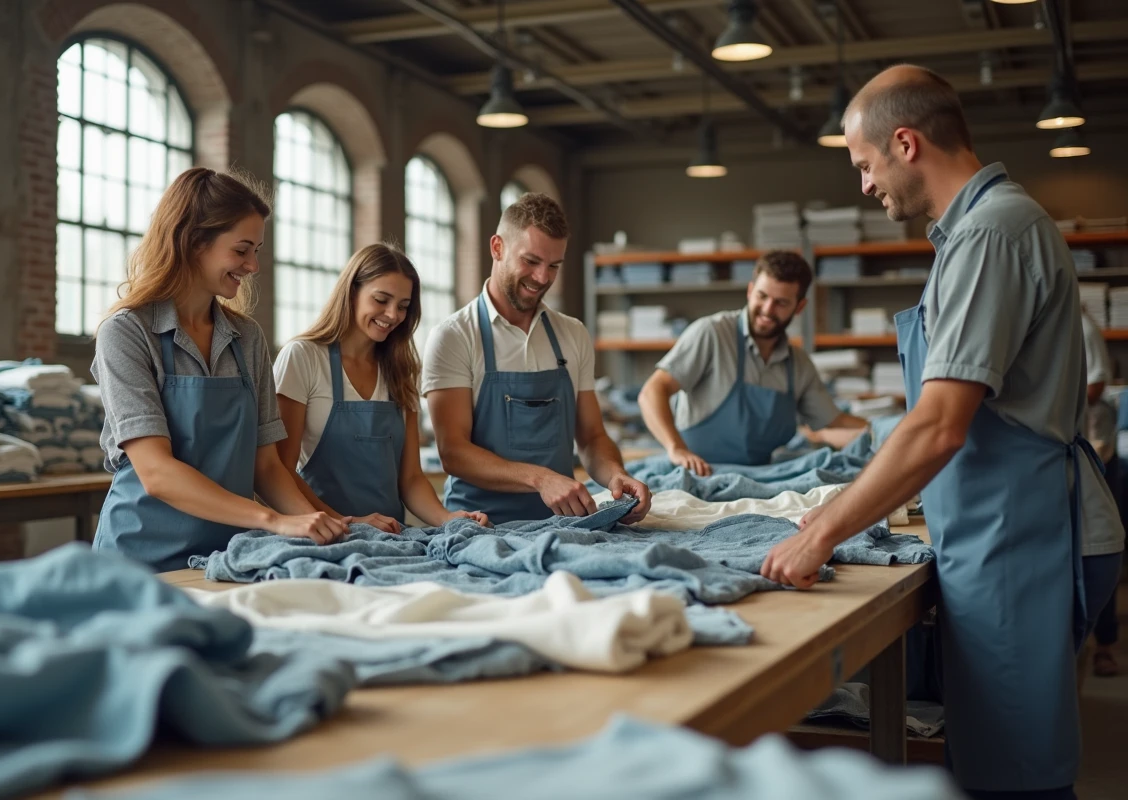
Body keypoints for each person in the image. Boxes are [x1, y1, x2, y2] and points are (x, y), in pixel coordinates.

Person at [760, 65, 1124, 800]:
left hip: (1019, 542)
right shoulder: (977, 230)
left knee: (1014, 778)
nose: (864, 186)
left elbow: (939, 426)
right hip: (998, 532)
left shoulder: (991, 233)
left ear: (905, 142)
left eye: (865, 166)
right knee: (995, 758)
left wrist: (820, 532)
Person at [93, 168, 347, 572]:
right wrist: (275, 521)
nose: (253, 266)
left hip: (225, 558)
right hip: (140, 560)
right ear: (195, 242)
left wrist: (323, 529)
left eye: (257, 250)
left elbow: (266, 467)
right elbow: (156, 472)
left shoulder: (247, 337)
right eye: (242, 249)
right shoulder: (126, 332)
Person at [424, 192, 651, 525]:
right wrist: (541, 478)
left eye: (553, 266)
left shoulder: (572, 334)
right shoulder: (454, 336)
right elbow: (453, 452)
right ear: (497, 247)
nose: (543, 278)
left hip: (564, 525)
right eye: (530, 261)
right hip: (481, 525)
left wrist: (616, 475)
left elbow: (591, 437)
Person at [272, 243, 489, 530]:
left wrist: (448, 519)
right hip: (323, 535)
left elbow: (410, 478)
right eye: (381, 299)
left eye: (403, 306)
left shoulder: (401, 370)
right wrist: (349, 523)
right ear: (351, 292)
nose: (392, 315)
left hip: (390, 539)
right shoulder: (303, 357)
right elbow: (281, 471)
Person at [638, 250, 868, 476]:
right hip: (697, 472)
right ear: (750, 291)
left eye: (781, 302)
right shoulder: (712, 333)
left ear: (799, 307)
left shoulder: (799, 365)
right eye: (762, 296)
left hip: (758, 477)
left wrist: (884, 432)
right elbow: (652, 391)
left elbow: (833, 422)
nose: (768, 310)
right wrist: (675, 448)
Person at [1082, 309, 1123, 677]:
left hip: (1096, 448)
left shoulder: (1080, 327)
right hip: (1075, 446)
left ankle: (1105, 647)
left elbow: (1095, 385)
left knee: (1098, 542)